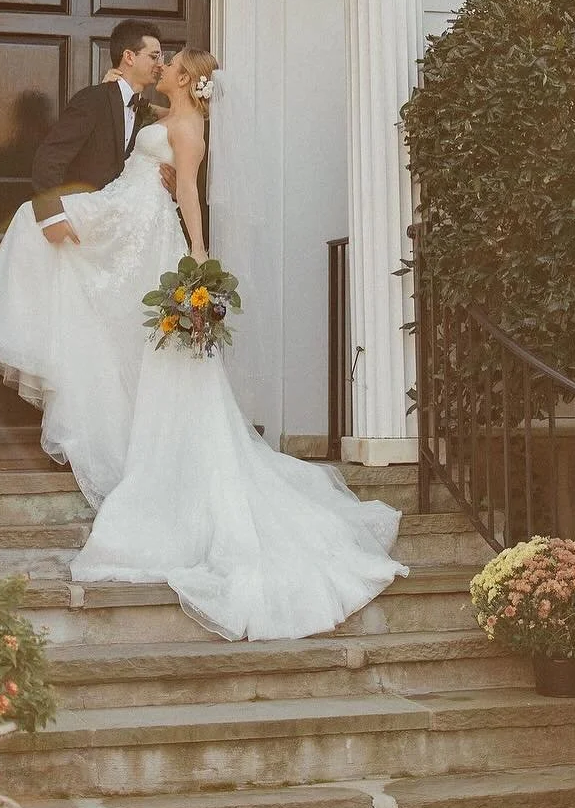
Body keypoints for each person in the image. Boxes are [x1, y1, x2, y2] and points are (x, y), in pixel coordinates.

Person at [68, 48, 407, 642]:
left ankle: (171, 469)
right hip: (133, 225)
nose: (164, 64)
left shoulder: (188, 124)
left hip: (161, 234)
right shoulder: (161, 112)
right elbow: (136, 121)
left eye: (171, 61)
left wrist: (198, 254)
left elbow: (189, 191)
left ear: (188, 80)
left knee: (172, 360)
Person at [0, 18, 176, 499]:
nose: (161, 62)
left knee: (100, 333)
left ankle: (103, 429)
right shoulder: (93, 101)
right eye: (154, 54)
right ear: (128, 58)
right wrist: (50, 216)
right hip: (75, 224)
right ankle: (73, 435)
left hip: (111, 235)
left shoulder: (145, 111)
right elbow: (48, 161)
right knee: (68, 329)